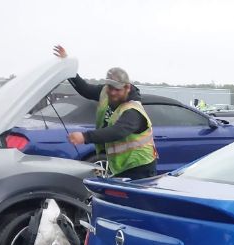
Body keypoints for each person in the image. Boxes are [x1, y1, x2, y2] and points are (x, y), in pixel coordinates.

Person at [53, 45, 157, 179]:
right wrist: (67, 66)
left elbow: (118, 131)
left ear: (127, 87)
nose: (113, 92)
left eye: (117, 89)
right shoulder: (105, 92)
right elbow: (85, 89)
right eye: (110, 87)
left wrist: (85, 137)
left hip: (140, 167)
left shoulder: (133, 110)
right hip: (121, 166)